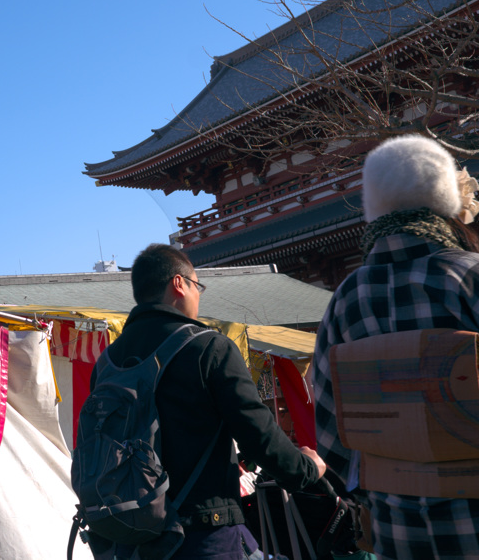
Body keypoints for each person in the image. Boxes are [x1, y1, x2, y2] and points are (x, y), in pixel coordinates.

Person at [89, 243, 325, 560]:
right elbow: (261, 436)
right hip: (201, 534)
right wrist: (308, 468)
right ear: (179, 284)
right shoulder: (208, 347)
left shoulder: (106, 363)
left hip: (129, 537)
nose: (199, 295)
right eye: (197, 285)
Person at [314, 134, 479, 559]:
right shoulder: (469, 277)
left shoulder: (345, 299)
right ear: (444, 199)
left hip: (396, 529)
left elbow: (332, 432)